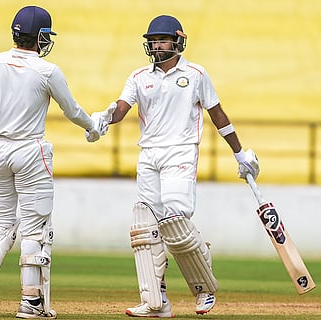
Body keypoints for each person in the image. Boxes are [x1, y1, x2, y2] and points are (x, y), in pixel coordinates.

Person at [92, 15, 260, 317]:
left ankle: (204, 287)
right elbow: (121, 108)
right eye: (152, 41)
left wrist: (239, 154)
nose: (156, 45)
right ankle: (157, 302)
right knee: (147, 227)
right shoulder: (139, 76)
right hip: (149, 155)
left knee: (175, 220)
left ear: (178, 41)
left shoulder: (196, 74)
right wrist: (103, 118)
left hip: (181, 153)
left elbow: (217, 114)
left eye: (162, 40)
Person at [0, 5, 104, 319]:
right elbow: (72, 111)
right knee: (36, 229)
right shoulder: (47, 70)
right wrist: (93, 127)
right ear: (41, 36)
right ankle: (31, 302)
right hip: (32, 151)